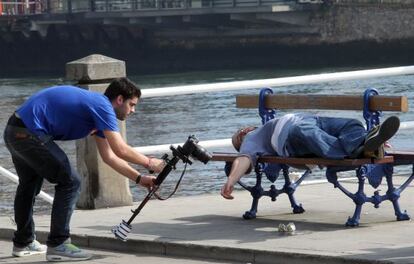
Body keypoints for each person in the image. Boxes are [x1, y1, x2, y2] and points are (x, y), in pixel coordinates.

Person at [3, 78, 166, 261]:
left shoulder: (96, 109)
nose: (133, 111)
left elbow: (109, 156)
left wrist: (139, 179)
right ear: (120, 99)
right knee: (71, 181)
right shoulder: (102, 106)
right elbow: (120, 149)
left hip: (14, 130)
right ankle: (59, 244)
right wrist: (149, 162)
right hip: (29, 133)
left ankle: (24, 242)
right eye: (132, 104)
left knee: (29, 185)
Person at [221, 113, 400, 200]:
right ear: (243, 136)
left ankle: (367, 143)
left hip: (314, 121)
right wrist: (231, 180)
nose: (244, 131)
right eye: (240, 136)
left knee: (352, 124)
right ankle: (361, 147)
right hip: (293, 136)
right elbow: (243, 158)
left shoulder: (263, 127)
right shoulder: (251, 139)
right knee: (304, 131)